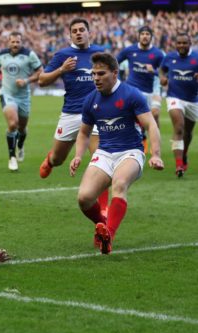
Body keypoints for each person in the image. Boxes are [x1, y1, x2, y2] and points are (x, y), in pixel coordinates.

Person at [69, 52, 163, 255]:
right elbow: (84, 132)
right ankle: (103, 225)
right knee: (84, 198)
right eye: (93, 74)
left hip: (131, 152)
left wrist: (155, 154)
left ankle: (108, 236)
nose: (96, 78)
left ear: (114, 73)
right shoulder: (90, 100)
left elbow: (151, 125)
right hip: (105, 152)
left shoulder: (131, 95)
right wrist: (78, 155)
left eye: (101, 74)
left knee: (119, 184)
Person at [38, 18, 108, 214]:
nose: (78, 33)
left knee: (100, 158)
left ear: (89, 33)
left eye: (82, 30)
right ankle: (50, 160)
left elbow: (113, 77)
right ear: (70, 35)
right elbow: (42, 80)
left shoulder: (100, 53)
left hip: (96, 113)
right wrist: (61, 69)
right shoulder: (63, 55)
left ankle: (104, 208)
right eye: (74, 31)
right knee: (59, 159)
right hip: (71, 112)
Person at [0, 31, 43, 171]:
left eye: (17, 42)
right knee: (13, 124)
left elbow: (40, 72)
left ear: (21, 42)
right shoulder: (1, 54)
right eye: (12, 42)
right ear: (9, 42)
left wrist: (27, 80)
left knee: (22, 128)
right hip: (7, 94)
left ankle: (20, 146)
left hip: (24, 96)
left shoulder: (29, 55)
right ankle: (12, 157)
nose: (15, 44)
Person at [116, 25, 165, 150]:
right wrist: (120, 82)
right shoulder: (130, 50)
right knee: (131, 116)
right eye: (142, 34)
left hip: (151, 88)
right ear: (138, 36)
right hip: (133, 88)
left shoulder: (158, 54)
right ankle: (137, 140)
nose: (145, 36)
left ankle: (155, 143)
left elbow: (165, 73)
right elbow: (114, 62)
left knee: (155, 114)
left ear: (151, 37)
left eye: (147, 34)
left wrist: (153, 71)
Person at [159, 32, 198, 177]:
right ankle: (179, 165)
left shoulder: (196, 57)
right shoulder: (169, 57)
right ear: (175, 44)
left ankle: (184, 154)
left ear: (190, 44)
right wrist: (163, 78)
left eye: (184, 43)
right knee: (179, 127)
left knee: (187, 133)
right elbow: (162, 70)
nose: (181, 45)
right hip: (174, 97)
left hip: (193, 100)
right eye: (179, 43)